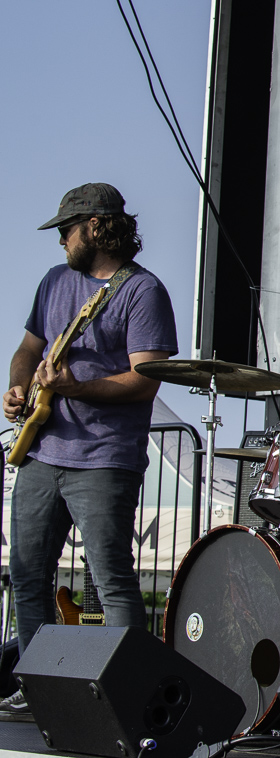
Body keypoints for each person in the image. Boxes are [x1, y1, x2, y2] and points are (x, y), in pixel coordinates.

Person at [1, 184, 178, 717]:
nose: (60, 239)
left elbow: (145, 381)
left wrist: (77, 387)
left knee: (112, 579)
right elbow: (28, 350)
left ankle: (127, 694)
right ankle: (38, 688)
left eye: (66, 228)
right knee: (28, 576)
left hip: (104, 457)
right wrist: (16, 387)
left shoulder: (142, 291)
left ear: (98, 226)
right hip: (41, 451)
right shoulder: (55, 281)